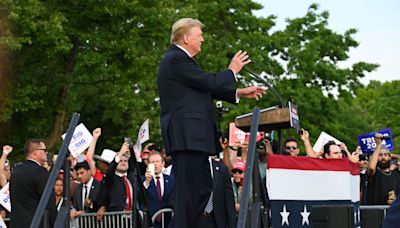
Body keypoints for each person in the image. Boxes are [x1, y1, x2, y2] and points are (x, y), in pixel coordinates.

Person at [157, 17, 266, 228]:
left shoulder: (184, 61)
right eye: (199, 35)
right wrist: (232, 70)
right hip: (187, 138)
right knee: (188, 200)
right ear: (186, 37)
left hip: (194, 139)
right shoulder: (175, 59)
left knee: (200, 194)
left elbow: (207, 87)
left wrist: (239, 93)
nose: (203, 40)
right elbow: (208, 81)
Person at [9, 138, 57, 228]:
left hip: (16, 224)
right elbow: (49, 201)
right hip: (36, 223)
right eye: (44, 150)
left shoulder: (16, 171)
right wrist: (55, 223)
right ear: (36, 152)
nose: (46, 153)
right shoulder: (40, 172)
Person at [142, 152, 175, 228]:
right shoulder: (142, 179)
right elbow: (138, 195)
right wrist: (147, 182)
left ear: (163, 163)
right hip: (149, 221)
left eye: (157, 161)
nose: (155, 164)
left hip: (168, 221)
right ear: (148, 164)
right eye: (152, 162)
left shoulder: (172, 179)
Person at [366, 133, 400, 205]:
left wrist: (395, 200)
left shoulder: (396, 175)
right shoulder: (375, 173)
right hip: (374, 212)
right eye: (380, 155)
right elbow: (372, 167)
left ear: (390, 157)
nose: (383, 157)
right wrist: (378, 145)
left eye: (385, 155)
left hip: (390, 213)